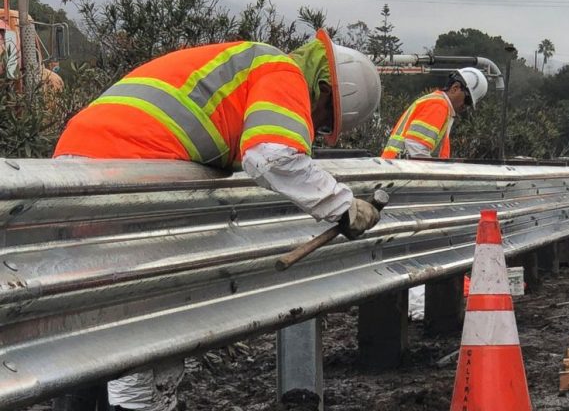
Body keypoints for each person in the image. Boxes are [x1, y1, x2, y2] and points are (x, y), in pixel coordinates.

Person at [53, 29, 382, 410]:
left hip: (76, 165)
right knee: (144, 343)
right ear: (323, 90)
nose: (317, 132)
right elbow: (272, 157)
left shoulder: (245, 66)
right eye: (325, 122)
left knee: (95, 331)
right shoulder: (284, 71)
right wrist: (344, 206)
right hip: (127, 174)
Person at [380, 67, 488, 159]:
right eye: (468, 100)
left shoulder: (438, 103)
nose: (466, 106)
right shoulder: (439, 105)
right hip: (401, 174)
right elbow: (416, 149)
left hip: (397, 171)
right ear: (455, 88)